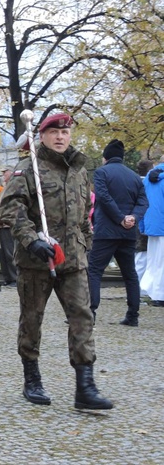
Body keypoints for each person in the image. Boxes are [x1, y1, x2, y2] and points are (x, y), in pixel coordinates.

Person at [0, 112, 113, 410]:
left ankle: (85, 387)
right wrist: (31, 239)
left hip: (73, 259)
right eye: (54, 132)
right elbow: (10, 209)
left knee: (82, 317)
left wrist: (85, 243)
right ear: (43, 136)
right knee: (32, 318)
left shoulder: (79, 169)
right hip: (36, 260)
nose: (61, 137)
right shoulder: (28, 168)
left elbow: (86, 214)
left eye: (66, 132)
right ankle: (32, 378)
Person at [87, 139, 148, 326]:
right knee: (130, 274)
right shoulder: (134, 177)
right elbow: (143, 202)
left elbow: (103, 198)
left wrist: (120, 217)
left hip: (106, 231)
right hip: (128, 233)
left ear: (105, 157)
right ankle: (133, 316)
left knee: (94, 271)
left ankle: (90, 312)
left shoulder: (101, 172)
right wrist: (133, 218)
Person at [141, 156, 164, 307]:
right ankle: (160, 295)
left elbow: (141, 201)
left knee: (154, 261)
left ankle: (151, 291)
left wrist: (142, 225)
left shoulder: (147, 180)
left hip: (151, 223)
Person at [0, 166, 17, 286]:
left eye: (5, 173)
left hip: (8, 224)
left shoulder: (14, 187)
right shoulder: (5, 187)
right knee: (2, 254)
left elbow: (9, 206)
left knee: (10, 252)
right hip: (1, 224)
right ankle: (8, 277)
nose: (3, 175)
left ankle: (14, 278)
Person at [134, 160, 154, 296]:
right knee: (142, 258)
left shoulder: (135, 182)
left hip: (137, 221)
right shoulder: (149, 183)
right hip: (145, 223)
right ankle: (138, 291)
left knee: (141, 257)